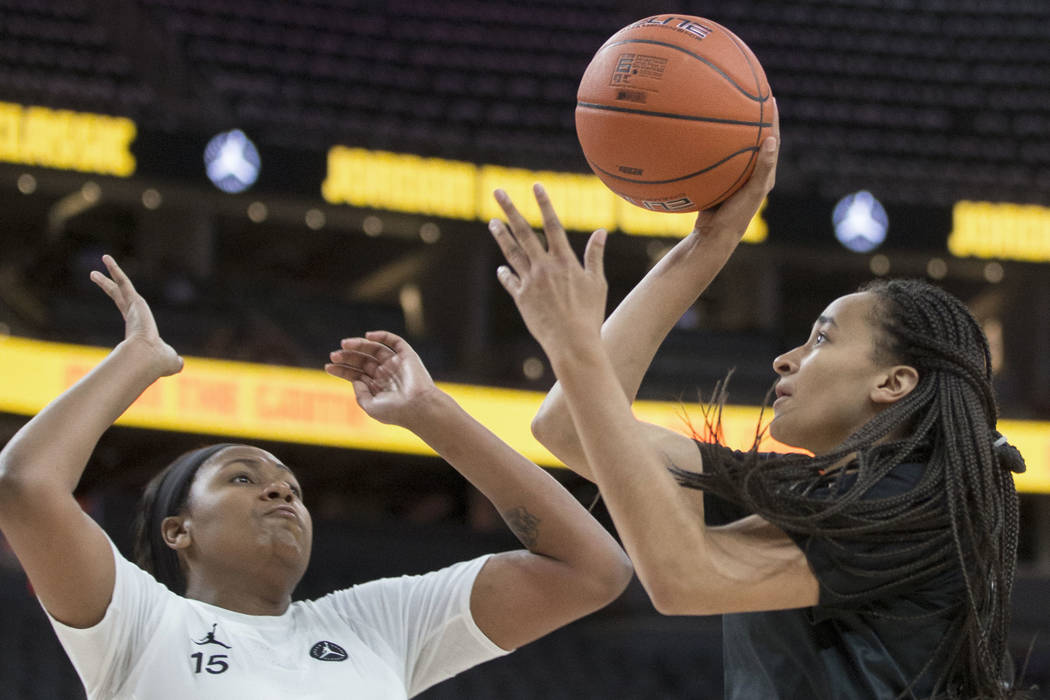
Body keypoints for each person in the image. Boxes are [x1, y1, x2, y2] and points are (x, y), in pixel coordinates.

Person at [487, 109, 1027, 698]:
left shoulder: (915, 505)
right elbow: (567, 426)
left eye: (821, 338)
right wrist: (707, 242)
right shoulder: (802, 493)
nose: (785, 359)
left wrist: (576, 347)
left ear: (894, 384)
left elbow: (684, 579)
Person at [0, 255, 633, 699]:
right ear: (177, 531)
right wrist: (135, 360)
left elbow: (594, 570)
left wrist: (430, 414)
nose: (281, 490)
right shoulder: (138, 622)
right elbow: (25, 486)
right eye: (242, 479)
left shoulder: (375, 626)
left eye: (293, 490)